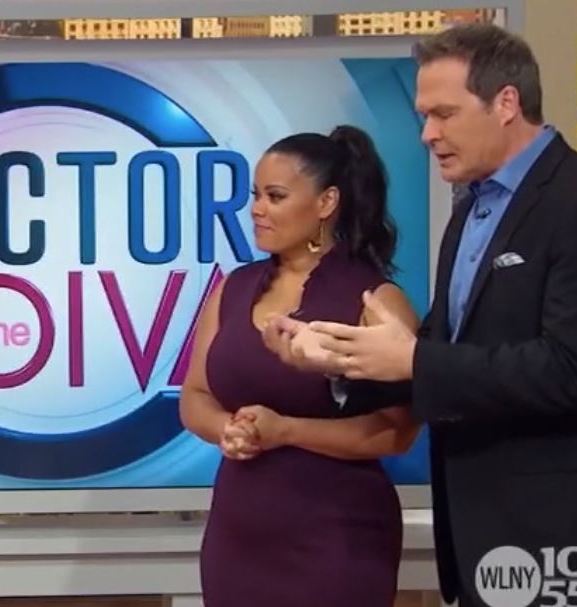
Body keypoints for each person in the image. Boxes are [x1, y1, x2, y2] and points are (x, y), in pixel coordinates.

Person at [275, 23, 577, 607]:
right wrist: (342, 362)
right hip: (477, 534)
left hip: (552, 534)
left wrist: (413, 358)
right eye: (424, 116)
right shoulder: (470, 210)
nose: (428, 134)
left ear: (506, 103)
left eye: (443, 114)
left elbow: (569, 372)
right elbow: (446, 354)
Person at [179, 124, 422, 607]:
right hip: (238, 536)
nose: (256, 209)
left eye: (275, 196)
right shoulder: (233, 288)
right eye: (255, 195)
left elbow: (397, 432)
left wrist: (286, 431)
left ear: (326, 202)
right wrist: (229, 429)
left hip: (336, 538)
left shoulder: (375, 300)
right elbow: (195, 395)